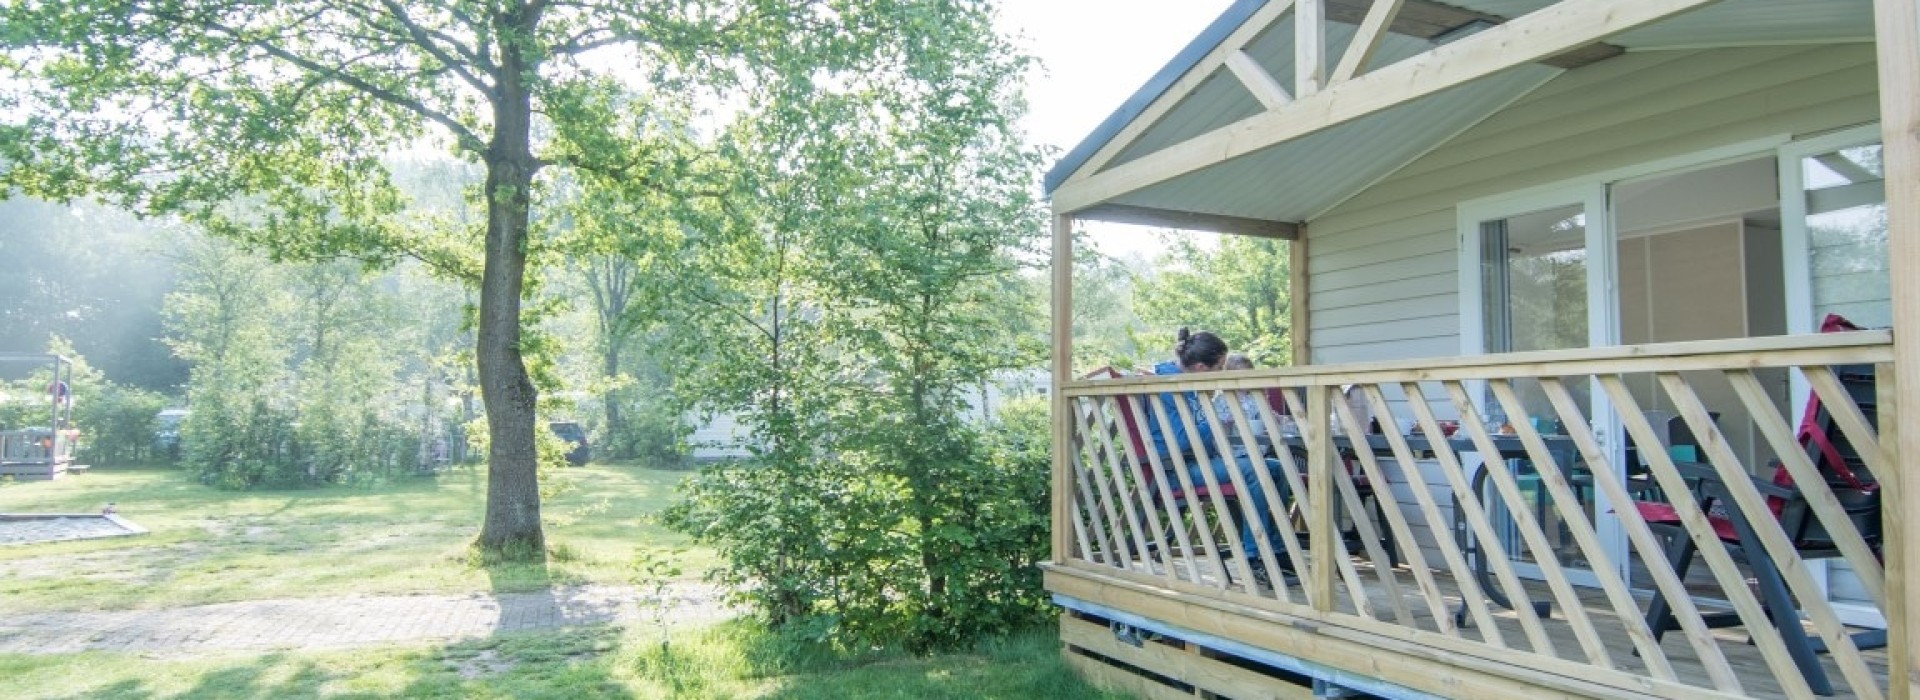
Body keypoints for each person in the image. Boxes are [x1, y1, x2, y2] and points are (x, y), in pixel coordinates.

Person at [1146, 329, 1294, 588]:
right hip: (1177, 469)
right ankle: (1254, 557)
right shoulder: (1168, 387)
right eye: (1221, 367)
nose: (1224, 373)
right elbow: (1180, 441)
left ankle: (1277, 550)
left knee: (1277, 469)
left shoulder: (1193, 385)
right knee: (1254, 469)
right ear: (1202, 368)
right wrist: (1216, 422)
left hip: (1203, 461)